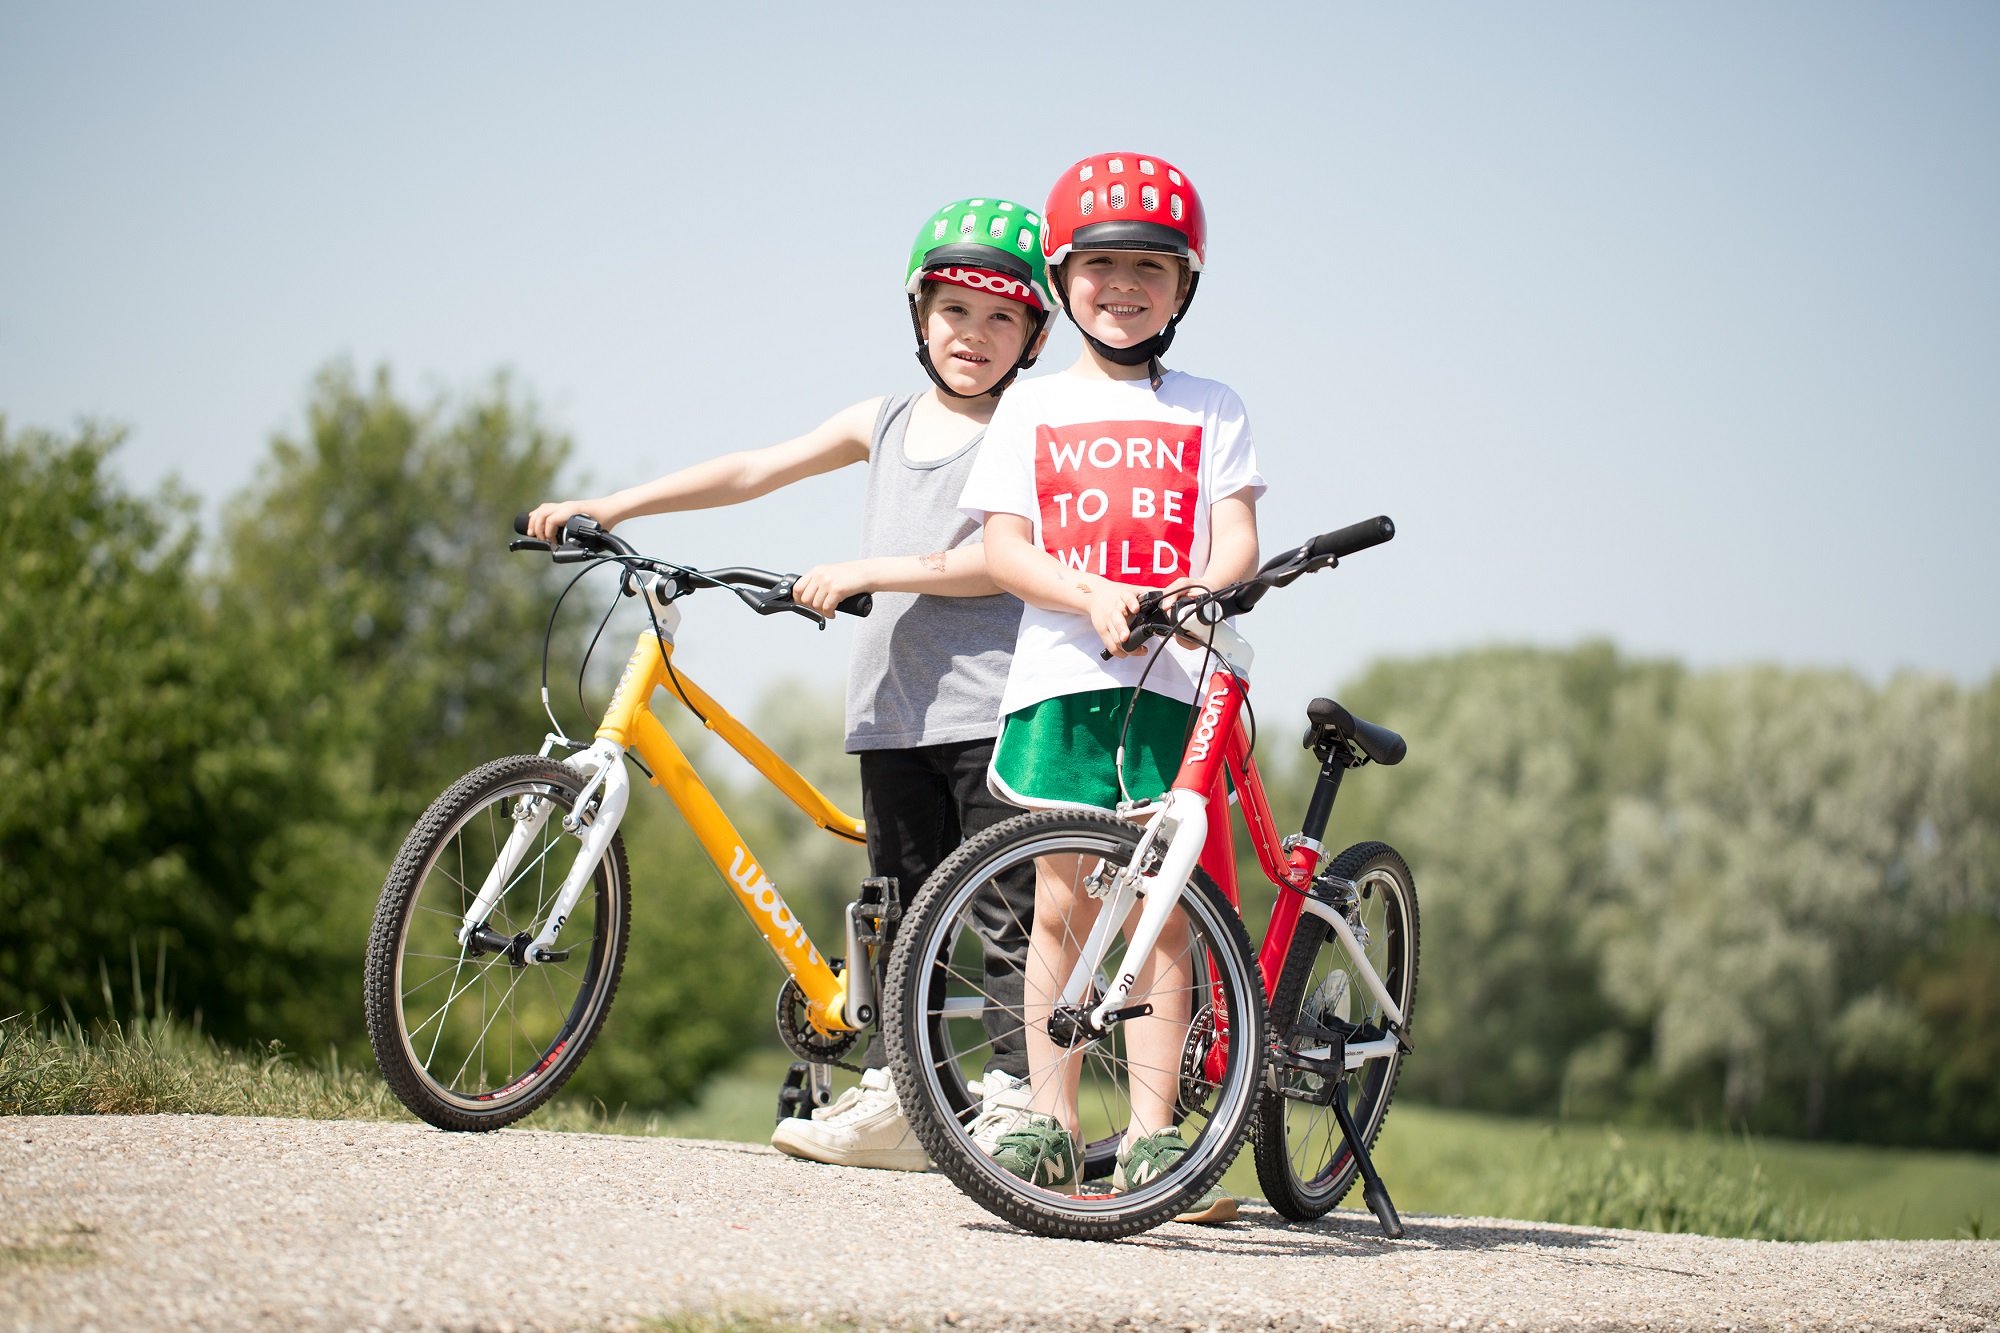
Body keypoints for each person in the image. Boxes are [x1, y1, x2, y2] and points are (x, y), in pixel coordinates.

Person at [524, 197, 1051, 1171]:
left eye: (999, 317)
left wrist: (867, 571)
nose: (972, 336)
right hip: (892, 706)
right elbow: (754, 468)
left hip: (995, 706)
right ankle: (905, 1094)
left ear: (1031, 335)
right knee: (896, 905)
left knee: (1002, 914)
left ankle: (1021, 1106)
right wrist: (615, 501)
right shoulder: (884, 419)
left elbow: (999, 560)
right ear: (917, 315)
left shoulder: (1030, 424)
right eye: (953, 311)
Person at [956, 153, 1264, 1224]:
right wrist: (1087, 595)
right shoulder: (1029, 409)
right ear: (1061, 278)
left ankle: (1151, 1134)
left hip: (1171, 685)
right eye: (1099, 266)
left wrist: (1191, 592)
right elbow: (1003, 547)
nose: (1122, 285)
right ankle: (1050, 1125)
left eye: (1148, 266)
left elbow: (1234, 538)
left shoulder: (1211, 407)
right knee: (1058, 901)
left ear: (1182, 288)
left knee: (1158, 911)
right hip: (1057, 683)